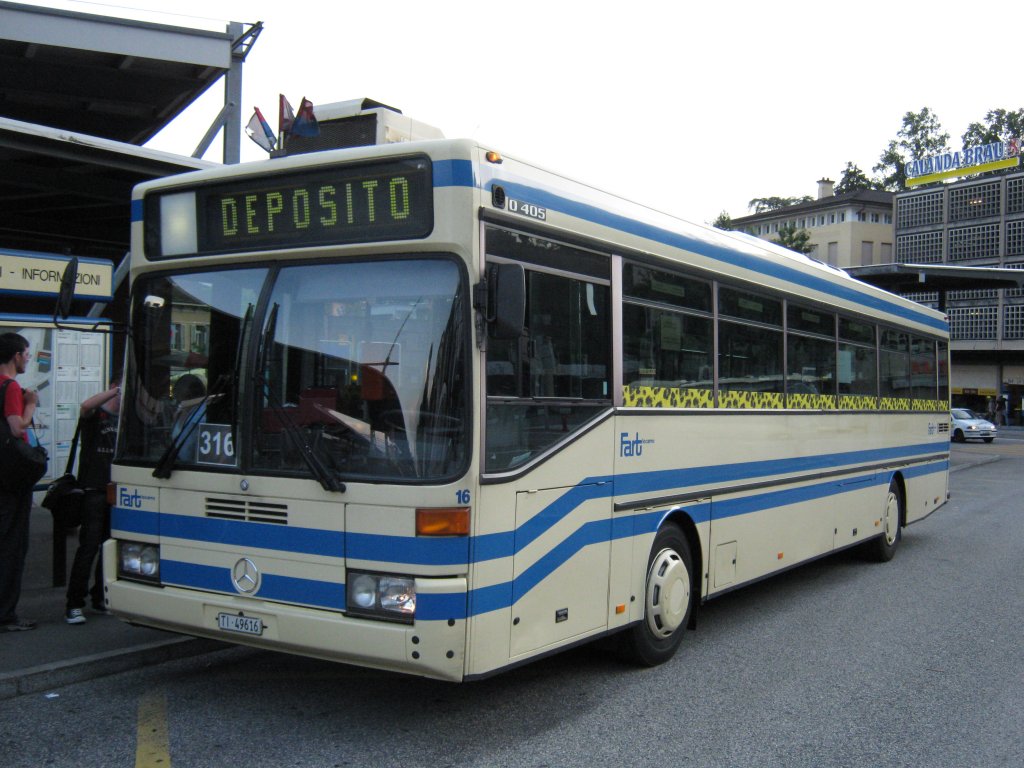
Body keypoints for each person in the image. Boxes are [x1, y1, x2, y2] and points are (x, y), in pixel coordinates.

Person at [64, 378, 121, 624]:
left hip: (114, 491)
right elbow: (85, 405)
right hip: (94, 489)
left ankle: (100, 597)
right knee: (88, 547)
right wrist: (115, 391)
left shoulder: (125, 419)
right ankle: (74, 604)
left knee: (109, 547)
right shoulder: (95, 415)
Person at [0, 333, 39, 632]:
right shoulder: (10, 386)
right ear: (15, 356)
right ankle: (6, 614)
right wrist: (31, 405)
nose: (28, 358)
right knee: (13, 545)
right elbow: (17, 427)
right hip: (11, 478)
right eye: (26, 353)